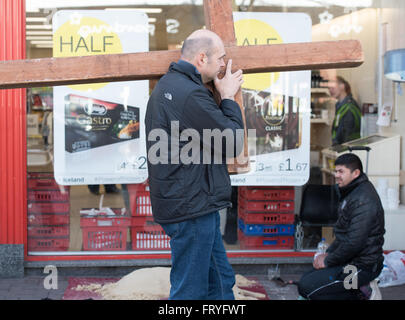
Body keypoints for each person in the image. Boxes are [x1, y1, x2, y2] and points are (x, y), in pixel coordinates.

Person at [145, 29, 244, 300]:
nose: (224, 65)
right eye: (221, 58)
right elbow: (233, 143)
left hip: (194, 202)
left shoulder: (170, 87)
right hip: (192, 207)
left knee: (220, 281)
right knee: (190, 290)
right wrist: (226, 98)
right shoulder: (188, 94)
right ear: (202, 57)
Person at [298, 153, 385, 300]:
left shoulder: (364, 199)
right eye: (336, 171)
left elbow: (354, 243)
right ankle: (356, 289)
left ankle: (364, 293)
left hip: (362, 266)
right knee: (307, 279)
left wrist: (328, 260)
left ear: (356, 173)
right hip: (348, 260)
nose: (336, 175)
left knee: (309, 289)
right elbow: (343, 234)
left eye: (341, 172)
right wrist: (327, 255)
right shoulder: (351, 191)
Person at [329, 76, 362, 146]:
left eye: (332, 87)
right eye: (329, 88)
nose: (330, 90)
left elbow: (347, 136)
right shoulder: (340, 106)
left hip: (346, 150)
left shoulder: (349, 108)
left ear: (342, 86)